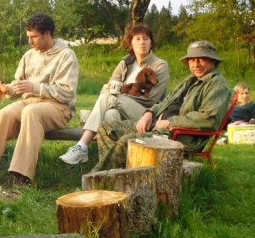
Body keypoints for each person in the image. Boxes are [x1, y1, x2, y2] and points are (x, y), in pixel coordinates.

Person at [93, 40, 233, 170]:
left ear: (213, 61)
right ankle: (118, 172)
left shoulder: (217, 85)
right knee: (106, 127)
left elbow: (209, 119)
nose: (196, 64)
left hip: (178, 137)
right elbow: (166, 101)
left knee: (126, 141)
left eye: (201, 59)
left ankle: (100, 178)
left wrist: (169, 122)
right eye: (192, 60)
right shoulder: (191, 80)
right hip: (156, 126)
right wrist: (150, 113)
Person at [0, 13, 78, 186]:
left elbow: (67, 92)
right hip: (29, 102)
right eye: (28, 37)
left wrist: (35, 88)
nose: (30, 41)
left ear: (47, 34)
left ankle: (20, 178)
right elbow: (20, 84)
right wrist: (7, 88)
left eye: (34, 37)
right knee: (4, 114)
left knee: (31, 112)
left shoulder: (66, 55)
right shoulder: (29, 55)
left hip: (58, 107)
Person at [59, 24, 170, 165]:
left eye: (146, 38)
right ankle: (111, 163)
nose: (142, 42)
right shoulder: (126, 63)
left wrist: (119, 95)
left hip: (146, 115)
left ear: (151, 42)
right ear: (131, 43)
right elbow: (109, 86)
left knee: (109, 99)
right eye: (137, 39)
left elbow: (151, 99)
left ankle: (82, 146)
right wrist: (114, 92)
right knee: (110, 114)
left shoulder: (160, 65)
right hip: (121, 109)